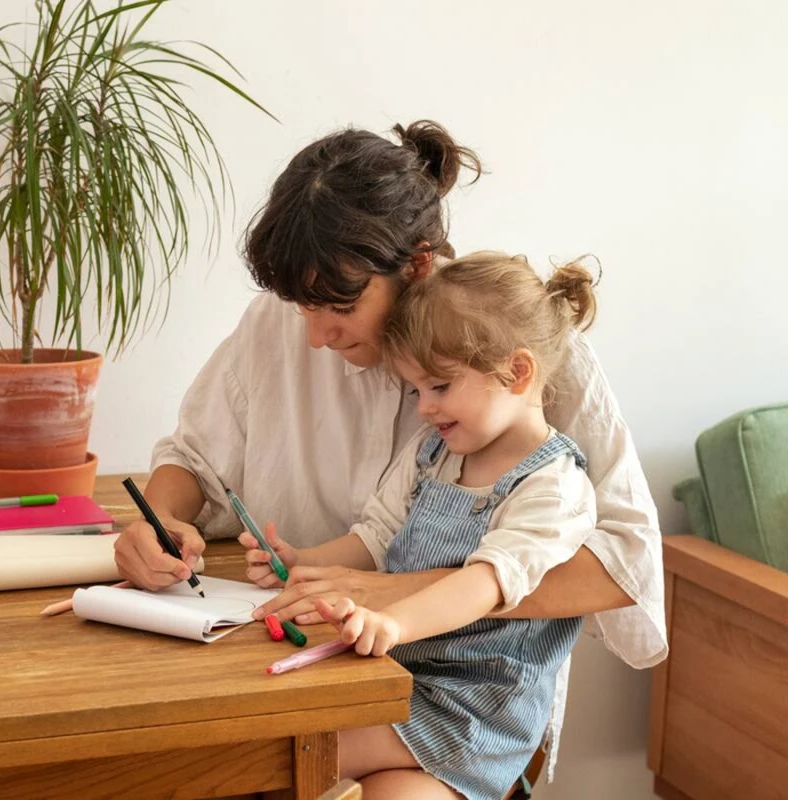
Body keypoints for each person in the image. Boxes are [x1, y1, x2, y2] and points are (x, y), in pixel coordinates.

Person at [112, 122, 665, 771]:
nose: (315, 336)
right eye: (300, 305)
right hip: (315, 658)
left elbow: (624, 562)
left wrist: (395, 595)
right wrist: (160, 521)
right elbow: (193, 458)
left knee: (250, 768)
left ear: (418, 263)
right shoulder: (279, 324)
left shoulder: (520, 348)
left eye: (337, 305)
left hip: (467, 704)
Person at [243, 251, 610, 799]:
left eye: (440, 387)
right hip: (400, 683)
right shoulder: (434, 452)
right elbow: (376, 534)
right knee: (314, 763)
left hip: (477, 712)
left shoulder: (553, 487)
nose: (424, 408)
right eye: (417, 390)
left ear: (517, 371)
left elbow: (484, 585)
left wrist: (392, 623)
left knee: (291, 756)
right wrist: (303, 560)